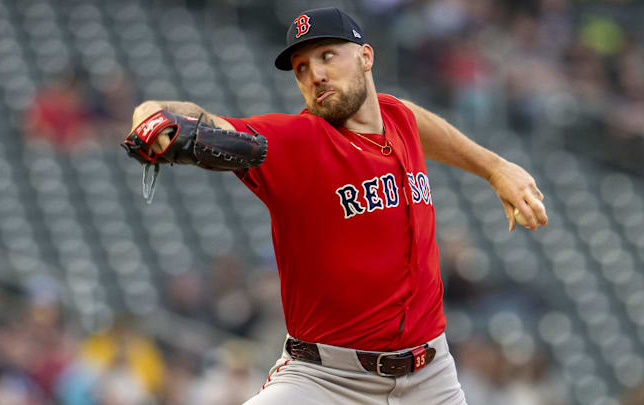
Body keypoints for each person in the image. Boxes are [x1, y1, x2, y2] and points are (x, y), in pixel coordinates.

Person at [126, 7, 548, 405]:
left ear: (366, 57)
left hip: (430, 378)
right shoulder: (296, 141)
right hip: (325, 380)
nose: (316, 75)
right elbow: (200, 120)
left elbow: (412, 119)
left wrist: (494, 168)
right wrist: (151, 115)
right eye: (302, 69)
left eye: (327, 56)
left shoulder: (396, 117)